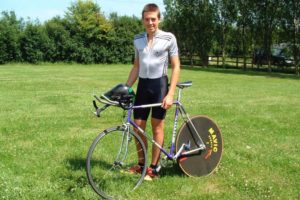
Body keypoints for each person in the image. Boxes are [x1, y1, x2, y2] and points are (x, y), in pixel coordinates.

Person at [126, 3, 180, 181]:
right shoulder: (138, 39)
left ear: (159, 19)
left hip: (160, 86)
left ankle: (154, 168)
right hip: (143, 86)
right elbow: (136, 66)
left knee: (157, 127)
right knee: (137, 126)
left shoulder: (168, 38)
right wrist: (126, 87)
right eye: (147, 19)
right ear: (142, 20)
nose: (150, 22)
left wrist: (170, 93)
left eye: (153, 19)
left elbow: (176, 66)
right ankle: (141, 165)